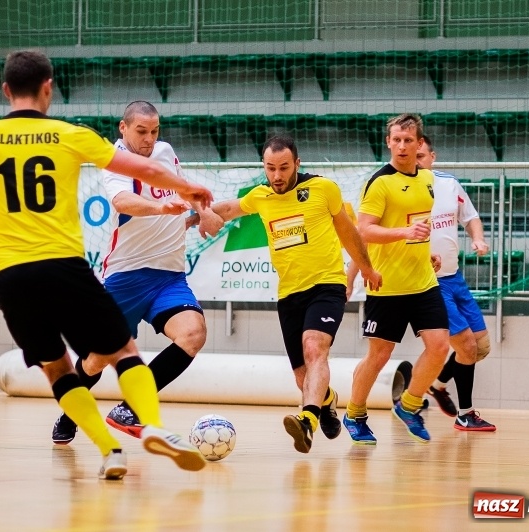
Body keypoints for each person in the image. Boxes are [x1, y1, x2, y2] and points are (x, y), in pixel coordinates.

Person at [0, 50, 208, 480]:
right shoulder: (68, 135)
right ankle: (151, 424)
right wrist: (188, 187)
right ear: (48, 88)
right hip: (65, 266)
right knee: (123, 352)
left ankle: (109, 447)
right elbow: (138, 168)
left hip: (12, 275)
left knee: (57, 368)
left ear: (5, 91)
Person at [51, 101, 224, 444]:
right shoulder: (114, 162)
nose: (149, 139)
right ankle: (71, 412)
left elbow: (182, 189)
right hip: (125, 277)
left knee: (193, 334)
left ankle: (129, 408)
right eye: (141, 131)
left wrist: (201, 212)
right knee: (96, 360)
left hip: (169, 276)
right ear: (123, 128)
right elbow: (123, 203)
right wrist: (160, 208)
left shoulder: (164, 151)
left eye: (154, 131)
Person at [208, 134, 382, 454]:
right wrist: (197, 214)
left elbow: (347, 231)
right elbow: (230, 208)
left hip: (327, 285)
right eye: (270, 168)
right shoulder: (261, 196)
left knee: (315, 348)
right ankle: (327, 401)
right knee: (303, 380)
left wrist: (366, 268)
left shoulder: (323, 190)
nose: (277, 176)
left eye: (284, 168)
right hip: (289, 293)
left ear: (297, 164)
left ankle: (307, 420)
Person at [344, 113, 449, 444]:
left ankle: (410, 404)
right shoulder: (380, 182)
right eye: (396, 140)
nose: (402, 146)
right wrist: (405, 234)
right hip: (386, 285)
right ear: (388, 142)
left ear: (420, 144)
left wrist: (424, 251)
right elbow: (364, 230)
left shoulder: (427, 180)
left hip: (422, 282)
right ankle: (354, 413)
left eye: (409, 140)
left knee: (439, 346)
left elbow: (417, 225)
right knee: (379, 356)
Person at [416, 136, 496, 431]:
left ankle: (437, 385)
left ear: (432, 157)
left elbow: (471, 216)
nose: (416, 161)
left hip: (455, 277)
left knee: (481, 347)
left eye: (421, 155)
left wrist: (478, 238)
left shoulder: (448, 184)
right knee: (466, 347)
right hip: (430, 283)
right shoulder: (400, 190)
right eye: (412, 156)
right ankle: (466, 414)